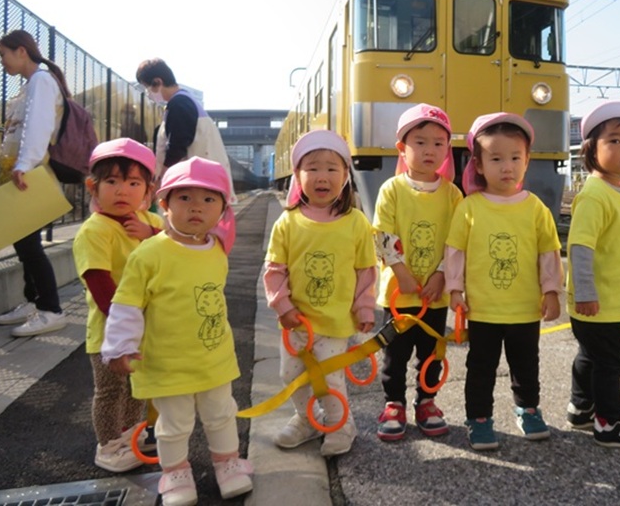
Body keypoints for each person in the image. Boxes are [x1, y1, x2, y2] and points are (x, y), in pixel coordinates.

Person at [101, 157, 252, 506]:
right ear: (163, 204)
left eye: (209, 200)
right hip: (167, 362)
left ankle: (227, 463)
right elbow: (127, 305)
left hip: (214, 358)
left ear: (223, 211)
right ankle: (175, 472)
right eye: (184, 198)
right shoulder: (149, 255)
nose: (197, 207)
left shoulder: (216, 248)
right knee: (173, 423)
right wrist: (119, 347)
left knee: (221, 413)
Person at [445, 113, 562, 451]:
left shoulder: (535, 208)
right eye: (496, 159)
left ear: (526, 163)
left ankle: (528, 409)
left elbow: (548, 252)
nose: (506, 167)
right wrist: (455, 289)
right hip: (482, 309)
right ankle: (478, 418)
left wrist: (551, 290)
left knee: (526, 364)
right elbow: (456, 251)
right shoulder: (469, 207)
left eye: (515, 158)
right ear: (478, 165)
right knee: (480, 367)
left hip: (524, 308)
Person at [263, 130, 376, 457]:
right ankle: (307, 419)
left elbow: (366, 272)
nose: (322, 176)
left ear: (345, 177)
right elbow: (274, 269)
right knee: (291, 374)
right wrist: (282, 306)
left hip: (335, 321)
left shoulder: (355, 222)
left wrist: (365, 309)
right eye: (312, 168)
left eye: (331, 168)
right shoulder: (288, 222)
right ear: (297, 175)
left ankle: (341, 425)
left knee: (329, 375)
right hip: (296, 321)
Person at [565, 101, 620, 449]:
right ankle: (610, 422)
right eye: (615, 141)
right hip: (597, 302)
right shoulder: (595, 195)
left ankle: (582, 407)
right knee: (608, 363)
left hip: (612, 301)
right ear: (591, 150)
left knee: (591, 357)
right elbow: (581, 248)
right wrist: (585, 292)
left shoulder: (618, 191)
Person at [374, 104, 463, 441]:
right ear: (402, 148)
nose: (430, 150)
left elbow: (455, 242)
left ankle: (427, 401)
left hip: (435, 295)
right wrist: (401, 272)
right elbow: (382, 234)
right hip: (399, 294)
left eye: (439, 143)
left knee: (431, 352)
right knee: (394, 354)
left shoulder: (452, 195)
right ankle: (394, 403)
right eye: (421, 142)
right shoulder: (391, 190)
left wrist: (442, 274)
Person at [73, 138, 163, 472]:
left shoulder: (149, 223)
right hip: (110, 330)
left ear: (148, 191)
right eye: (111, 181)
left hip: (144, 326)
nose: (122, 190)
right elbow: (100, 285)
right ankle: (109, 445)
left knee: (137, 387)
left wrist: (149, 234)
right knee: (110, 390)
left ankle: (130, 434)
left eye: (133, 182)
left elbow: (179, 243)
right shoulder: (94, 231)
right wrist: (127, 323)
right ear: (92, 187)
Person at [0, 30, 69, 336]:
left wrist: (25, 165)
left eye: (3, 55)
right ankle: (33, 301)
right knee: (25, 243)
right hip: (20, 171)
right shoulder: (34, 83)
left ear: (21, 51)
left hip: (28, 173)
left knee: (29, 245)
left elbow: (38, 127)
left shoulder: (41, 80)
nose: (2, 62)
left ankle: (51, 309)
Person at [135, 58, 233, 190]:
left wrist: (162, 177)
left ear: (158, 82)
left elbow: (177, 146)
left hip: (195, 182)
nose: (147, 92)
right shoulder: (185, 100)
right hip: (205, 180)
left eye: (147, 87)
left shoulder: (179, 104)